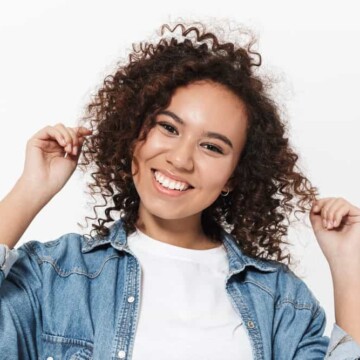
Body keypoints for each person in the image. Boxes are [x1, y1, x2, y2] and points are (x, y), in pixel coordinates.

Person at [0, 22, 359, 360]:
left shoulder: (280, 301)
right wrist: (30, 190)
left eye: (213, 147)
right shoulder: (57, 275)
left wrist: (349, 267)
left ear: (235, 174)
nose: (181, 159)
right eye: (169, 128)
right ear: (133, 133)